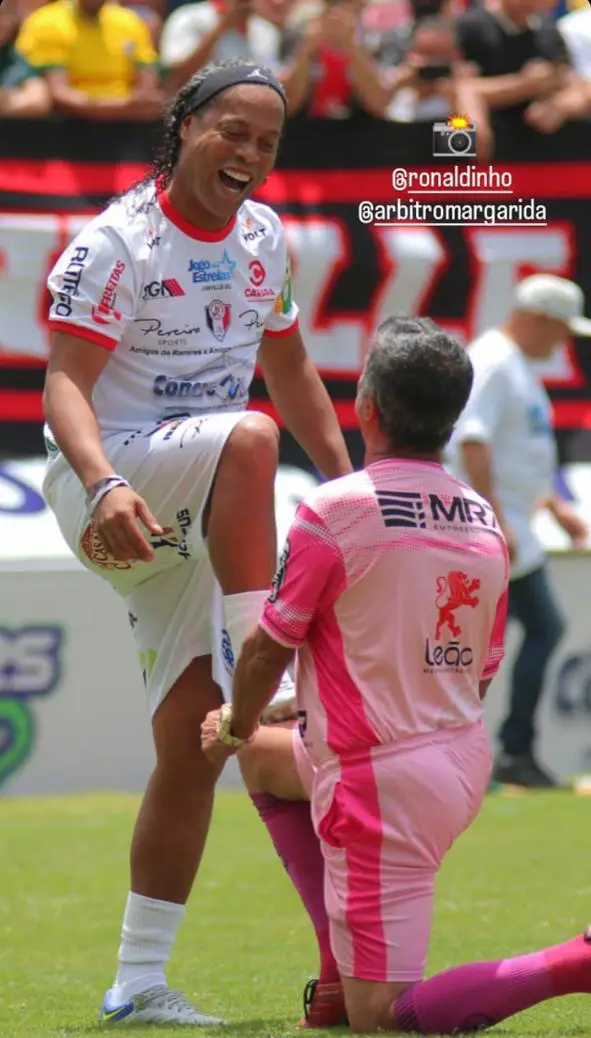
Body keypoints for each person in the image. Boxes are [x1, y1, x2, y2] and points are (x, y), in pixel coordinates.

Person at [42, 57, 352, 1026]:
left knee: (195, 744)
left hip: (200, 505)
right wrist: (102, 484)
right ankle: (268, 649)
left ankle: (137, 982)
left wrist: (351, 490)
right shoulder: (116, 242)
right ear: (184, 127)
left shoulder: (263, 238)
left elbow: (294, 369)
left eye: (268, 141)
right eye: (234, 130)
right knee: (252, 435)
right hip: (111, 486)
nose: (251, 153)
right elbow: (64, 384)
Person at [202, 316, 591, 1034]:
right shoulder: (482, 519)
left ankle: (577, 961)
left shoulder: (333, 508)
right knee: (264, 761)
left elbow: (266, 649)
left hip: (380, 785)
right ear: (450, 417)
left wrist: (232, 721)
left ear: (367, 408)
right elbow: (472, 672)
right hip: (455, 760)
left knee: (380, 1017)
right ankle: (331, 978)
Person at [447, 275, 590, 789]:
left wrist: (552, 504)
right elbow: (473, 440)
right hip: (491, 534)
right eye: (559, 330)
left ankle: (500, 752)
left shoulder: (517, 365)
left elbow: (515, 450)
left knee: (487, 643)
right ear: (537, 318)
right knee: (509, 637)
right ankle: (503, 752)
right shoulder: (494, 361)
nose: (563, 343)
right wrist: (493, 518)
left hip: (512, 530)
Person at [15, 0, 163, 121]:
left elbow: (147, 89)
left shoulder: (130, 22)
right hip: (66, 132)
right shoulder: (48, 23)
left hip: (128, 132)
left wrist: (133, 105)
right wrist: (125, 105)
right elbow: (59, 95)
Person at [0, 0, 51, 118]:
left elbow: (38, 100)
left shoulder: (14, 58)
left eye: (4, 16)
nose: (1, 22)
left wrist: (6, 101)